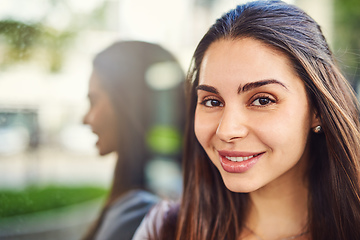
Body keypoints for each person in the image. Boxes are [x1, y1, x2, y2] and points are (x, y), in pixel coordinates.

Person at [132, 1, 360, 239]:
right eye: (212, 101)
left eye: (262, 100)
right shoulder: (163, 230)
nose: (227, 131)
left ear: (317, 110)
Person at [82, 40, 185, 240]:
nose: (86, 118)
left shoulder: (141, 212)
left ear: (128, 105)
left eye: (93, 101)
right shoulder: (153, 201)